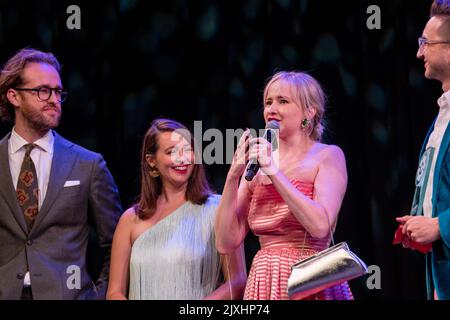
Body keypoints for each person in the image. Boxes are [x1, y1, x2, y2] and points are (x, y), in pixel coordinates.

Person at [214, 71, 353, 300]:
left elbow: (320, 226)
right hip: (265, 279)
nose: (272, 109)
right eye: (268, 102)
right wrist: (232, 178)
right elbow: (225, 242)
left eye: (283, 101)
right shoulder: (257, 164)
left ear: (309, 112)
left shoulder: (328, 156)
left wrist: (274, 172)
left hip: (309, 278)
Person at [0, 48, 123, 299]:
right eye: (42, 90)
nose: (54, 99)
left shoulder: (87, 164)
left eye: (58, 91)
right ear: (14, 96)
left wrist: (96, 295)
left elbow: (118, 243)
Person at [107, 118, 247, 300]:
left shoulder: (218, 209)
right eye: (171, 151)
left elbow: (237, 281)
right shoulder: (130, 220)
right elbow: (114, 292)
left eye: (187, 150)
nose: (181, 158)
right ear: (151, 161)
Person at [396, 0, 450, 300]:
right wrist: (420, 218)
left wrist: (440, 226)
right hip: (440, 266)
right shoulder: (442, 114)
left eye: (425, 43)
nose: (419, 52)